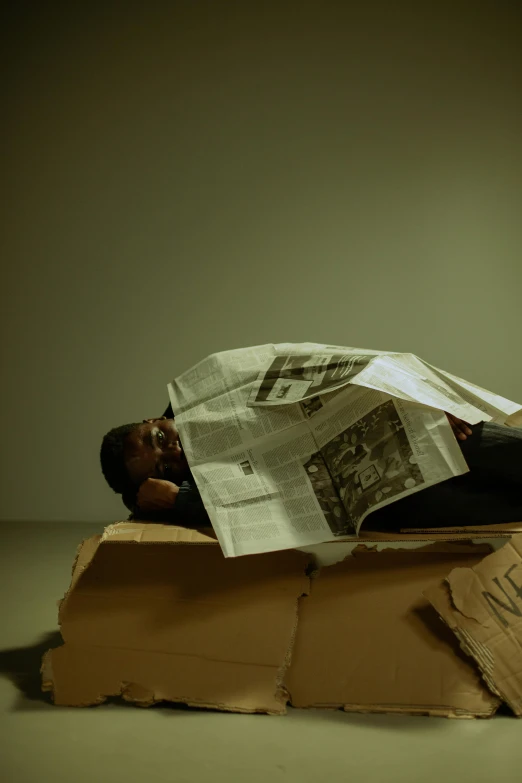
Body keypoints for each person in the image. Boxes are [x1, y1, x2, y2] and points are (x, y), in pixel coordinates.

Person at [100, 404, 522, 531]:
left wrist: (413, 405)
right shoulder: (198, 491)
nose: (172, 450)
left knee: (486, 447)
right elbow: (265, 507)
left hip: (413, 433)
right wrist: (179, 499)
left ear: (152, 417)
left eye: (159, 438)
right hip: (395, 500)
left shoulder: (212, 398)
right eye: (163, 466)